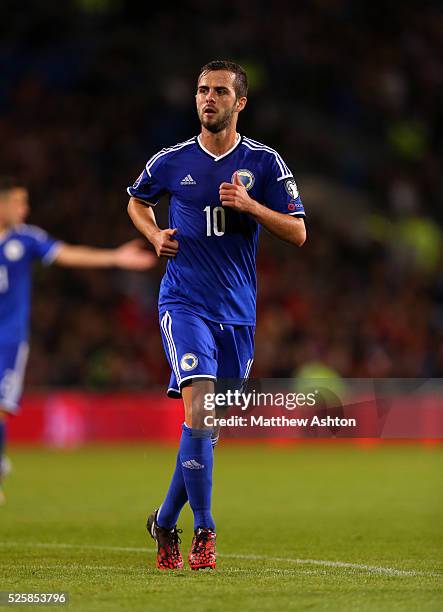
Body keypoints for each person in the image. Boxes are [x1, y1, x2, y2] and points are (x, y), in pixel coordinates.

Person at [127, 60, 306, 570]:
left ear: (240, 102)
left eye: (220, 91)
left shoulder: (265, 163)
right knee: (199, 414)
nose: (208, 98)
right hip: (184, 303)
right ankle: (204, 530)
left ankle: (162, 523)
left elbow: (297, 232)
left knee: (204, 428)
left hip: (238, 315)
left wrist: (251, 207)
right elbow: (137, 203)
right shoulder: (171, 161)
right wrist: (154, 234)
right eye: (202, 90)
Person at [0, 176, 156, 503]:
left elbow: (67, 254)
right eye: (18, 202)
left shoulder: (25, 240)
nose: (24, 208)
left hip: (8, 340)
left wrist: (114, 258)